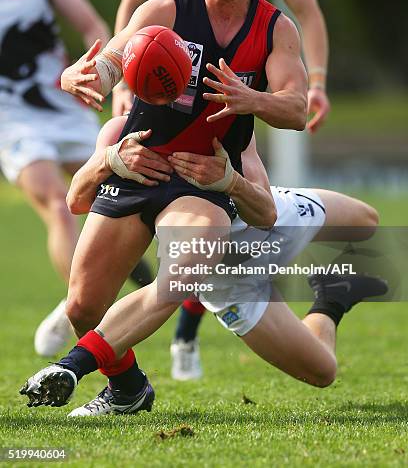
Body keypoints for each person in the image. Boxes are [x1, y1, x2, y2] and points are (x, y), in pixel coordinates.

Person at [33, 0, 310, 415]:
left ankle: (73, 366)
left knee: (186, 263)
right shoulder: (164, 11)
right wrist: (80, 74)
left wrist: (251, 99)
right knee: (81, 305)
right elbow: (113, 62)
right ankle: (128, 388)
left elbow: (295, 109)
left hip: (202, 178)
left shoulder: (276, 29)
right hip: (139, 163)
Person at [113, 0, 331, 377]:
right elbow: (131, 11)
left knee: (243, 198)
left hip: (234, 94)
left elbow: (308, 10)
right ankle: (100, 312)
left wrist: (313, 82)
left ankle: (193, 320)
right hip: (162, 93)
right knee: (103, 184)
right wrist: (122, 78)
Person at [19, 114, 388, 413]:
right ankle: (333, 296)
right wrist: (107, 160)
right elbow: (76, 199)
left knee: (366, 221)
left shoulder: (227, 120)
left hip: (271, 224)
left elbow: (266, 211)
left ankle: (105, 362)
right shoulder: (122, 133)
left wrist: (229, 181)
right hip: (228, 281)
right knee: (323, 371)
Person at [0, 0, 110, 357]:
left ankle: (95, 286)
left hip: (67, 107)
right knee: (55, 198)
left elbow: (92, 26)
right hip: (10, 120)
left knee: (118, 192)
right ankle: (85, 312)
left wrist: (101, 71)